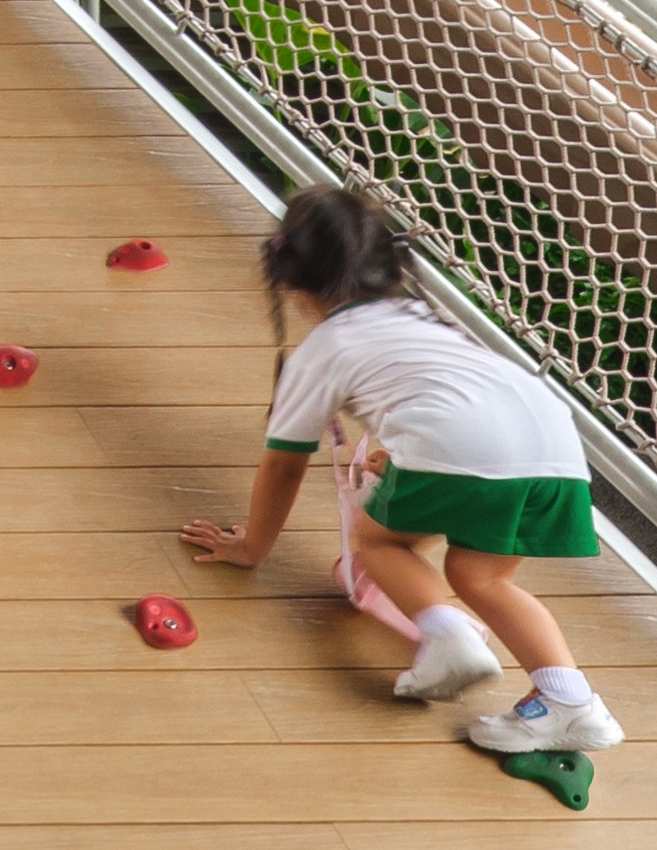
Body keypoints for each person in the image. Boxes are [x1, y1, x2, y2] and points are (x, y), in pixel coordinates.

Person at [174, 183, 622, 755]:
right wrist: (408, 453)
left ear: (291, 281)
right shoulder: (424, 318)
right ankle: (571, 702)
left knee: (376, 541)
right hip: (554, 446)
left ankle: (448, 634)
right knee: (483, 577)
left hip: (461, 452)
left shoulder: (324, 348)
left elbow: (285, 464)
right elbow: (442, 390)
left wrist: (253, 547)